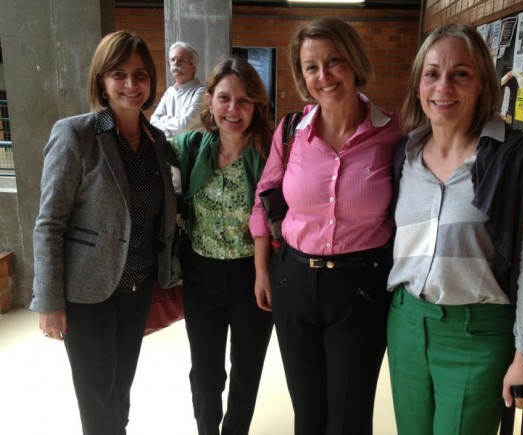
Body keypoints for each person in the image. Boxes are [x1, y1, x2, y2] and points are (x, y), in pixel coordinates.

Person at [386, 23, 523, 435]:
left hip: (477, 336)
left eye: (461, 74)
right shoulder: (404, 156)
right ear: (418, 85)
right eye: (432, 73)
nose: (443, 86)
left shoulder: (519, 162)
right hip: (406, 325)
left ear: (483, 84)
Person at [249, 17, 402, 434]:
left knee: (350, 415)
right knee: (308, 413)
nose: (324, 75)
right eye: (311, 67)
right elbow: (263, 199)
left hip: (360, 286)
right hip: (294, 281)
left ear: (354, 62)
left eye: (334, 61)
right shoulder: (290, 132)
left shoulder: (392, 133)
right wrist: (262, 270)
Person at [30, 31, 176, 435]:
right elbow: (49, 223)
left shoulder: (156, 141)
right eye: (119, 74)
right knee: (97, 395)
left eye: (140, 74)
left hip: (137, 286)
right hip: (87, 292)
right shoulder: (76, 134)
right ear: (102, 81)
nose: (131, 84)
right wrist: (49, 300)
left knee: (120, 386)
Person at [171, 57, 274, 435]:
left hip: (254, 277)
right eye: (225, 98)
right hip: (202, 276)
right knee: (206, 372)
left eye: (244, 100)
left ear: (257, 105)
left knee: (247, 369)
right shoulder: (191, 146)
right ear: (210, 100)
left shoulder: (269, 154)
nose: (234, 109)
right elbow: (144, 149)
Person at [150, 41, 205, 138]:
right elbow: (153, 121)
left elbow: (185, 125)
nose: (175, 63)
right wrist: (170, 131)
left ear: (193, 67)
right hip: (166, 147)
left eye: (181, 60)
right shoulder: (169, 92)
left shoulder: (201, 92)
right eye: (172, 60)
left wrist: (163, 120)